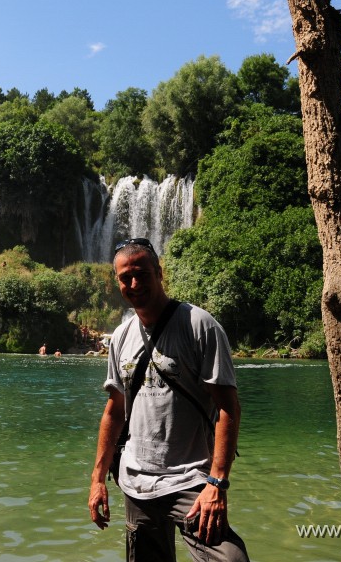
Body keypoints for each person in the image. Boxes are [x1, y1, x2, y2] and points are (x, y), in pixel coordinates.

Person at [89, 238, 248, 561]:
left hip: (192, 480)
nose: (134, 284)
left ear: (159, 273)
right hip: (136, 483)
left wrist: (217, 483)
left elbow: (227, 407)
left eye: (142, 274)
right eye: (125, 277)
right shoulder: (121, 337)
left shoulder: (199, 325)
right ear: (116, 281)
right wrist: (97, 480)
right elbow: (114, 411)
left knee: (231, 558)